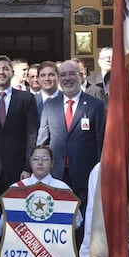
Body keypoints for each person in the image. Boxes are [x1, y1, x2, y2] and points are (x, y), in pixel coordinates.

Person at [7, 145, 81, 257]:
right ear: (30, 162)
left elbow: (77, 221)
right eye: (35, 159)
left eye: (45, 159)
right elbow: (6, 223)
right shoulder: (17, 188)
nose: (40, 163)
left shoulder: (63, 189)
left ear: (52, 163)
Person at [37, 59, 105, 207]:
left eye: (72, 74)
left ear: (80, 76)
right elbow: (42, 140)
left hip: (85, 175)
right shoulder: (50, 105)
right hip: (56, 175)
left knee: (82, 221)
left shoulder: (95, 105)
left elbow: (101, 140)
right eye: (63, 75)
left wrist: (101, 170)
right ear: (59, 79)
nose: (67, 79)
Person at [0, 55, 38, 200]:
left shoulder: (26, 99)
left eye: (5, 69)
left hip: (18, 172)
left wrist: (28, 167)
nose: (1, 72)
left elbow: (32, 135)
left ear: (12, 72)